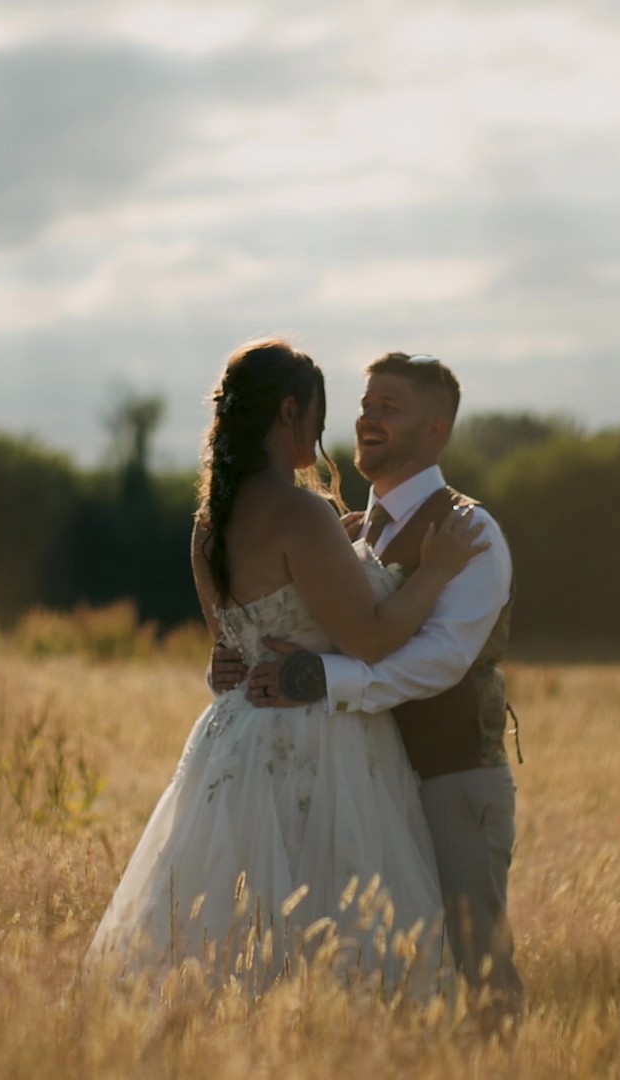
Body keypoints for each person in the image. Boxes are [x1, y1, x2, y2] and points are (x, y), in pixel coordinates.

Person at [85, 340, 489, 999]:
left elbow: (230, 652)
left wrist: (348, 549)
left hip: (235, 744)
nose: (321, 437)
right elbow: (373, 638)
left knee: (241, 928)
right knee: (337, 925)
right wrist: (437, 572)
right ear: (289, 412)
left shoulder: (209, 525)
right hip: (319, 739)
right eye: (317, 420)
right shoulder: (301, 513)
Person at [225, 352, 526, 1028]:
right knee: (380, 969)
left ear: (434, 432)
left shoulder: (471, 532)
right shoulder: (350, 532)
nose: (366, 419)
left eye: (389, 408)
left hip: (452, 782)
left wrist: (323, 680)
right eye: (365, 406)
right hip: (362, 785)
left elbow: (442, 660)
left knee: (476, 966)